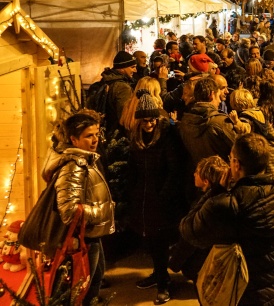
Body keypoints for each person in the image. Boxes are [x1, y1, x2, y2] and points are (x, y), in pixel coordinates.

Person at [180, 133, 274, 306]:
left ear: (236, 164)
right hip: (270, 294)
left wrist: (215, 191)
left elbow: (188, 230)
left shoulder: (223, 205)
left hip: (232, 293)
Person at [41, 111, 115, 305]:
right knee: (86, 289)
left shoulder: (85, 158)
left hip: (91, 235)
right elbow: (69, 211)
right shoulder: (74, 166)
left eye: (97, 134)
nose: (95, 140)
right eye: (89, 136)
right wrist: (103, 211)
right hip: (84, 239)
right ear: (74, 139)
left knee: (95, 281)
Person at [128, 91, 185, 304]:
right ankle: (158, 274)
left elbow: (174, 170)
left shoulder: (167, 137)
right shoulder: (136, 139)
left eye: (151, 119)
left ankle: (163, 283)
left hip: (160, 199)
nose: (148, 124)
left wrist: (163, 195)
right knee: (151, 240)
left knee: (159, 241)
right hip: (143, 198)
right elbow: (133, 168)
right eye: (144, 120)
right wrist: (133, 192)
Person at [178, 78, 236, 171]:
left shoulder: (185, 120)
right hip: (221, 176)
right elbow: (239, 147)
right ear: (212, 95)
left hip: (199, 175)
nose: (220, 101)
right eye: (218, 96)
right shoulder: (220, 121)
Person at [92, 50, 137, 139]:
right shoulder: (123, 88)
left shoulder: (106, 81)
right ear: (121, 68)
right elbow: (124, 117)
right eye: (132, 67)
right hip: (117, 135)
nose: (135, 70)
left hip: (106, 131)